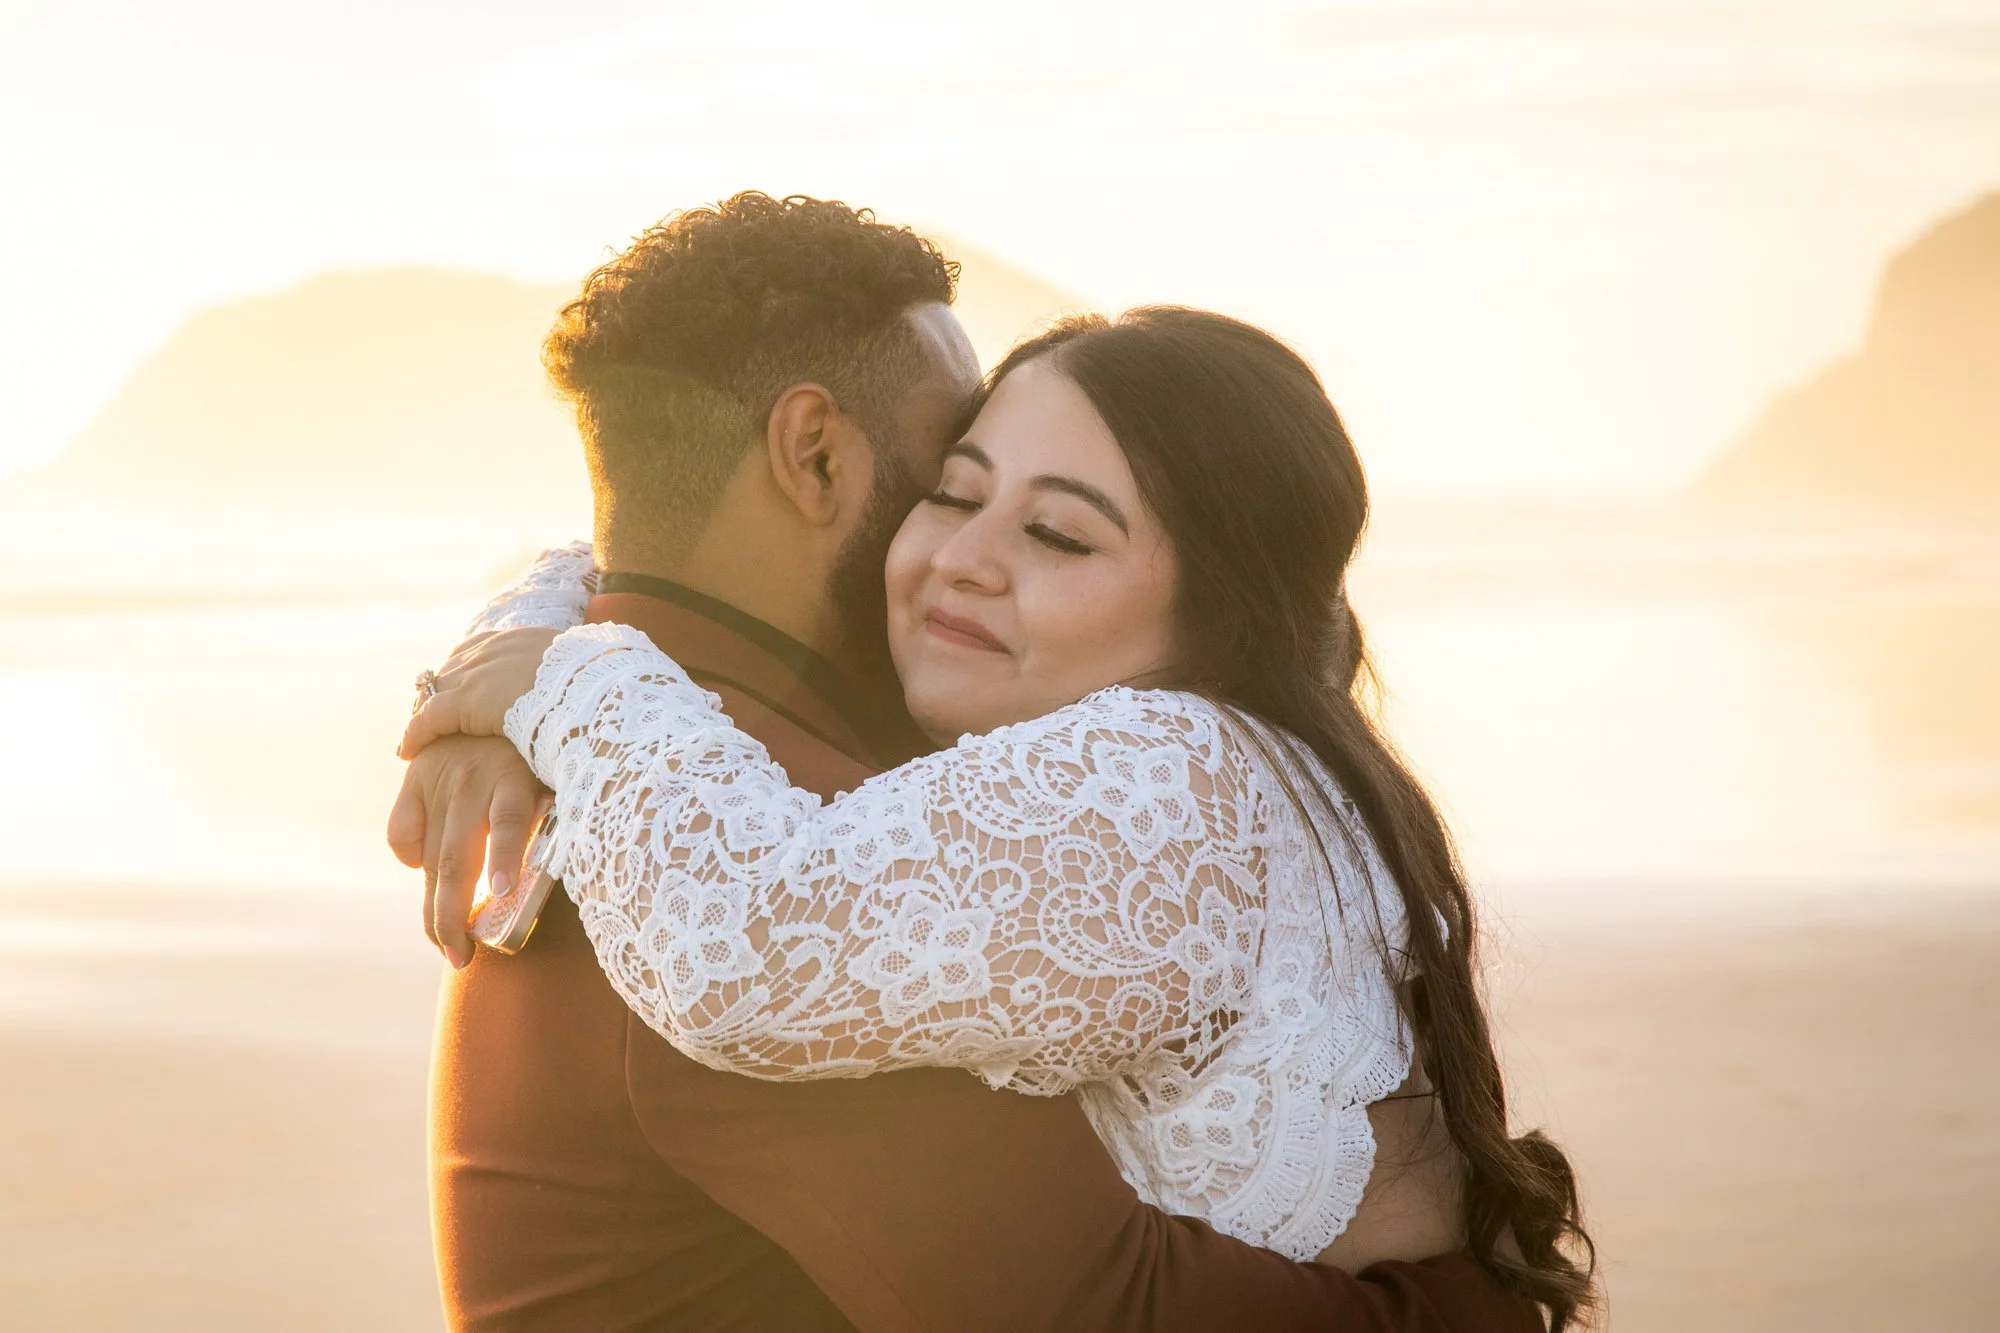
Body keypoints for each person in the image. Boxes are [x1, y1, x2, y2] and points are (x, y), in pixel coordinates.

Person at [394, 200, 1593, 1332]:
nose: (959, 556)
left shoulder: (684, 780)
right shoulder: (715, 833)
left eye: (1057, 531)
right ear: (813, 457)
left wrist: (544, 654)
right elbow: (1104, 1311)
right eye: (944, 486)